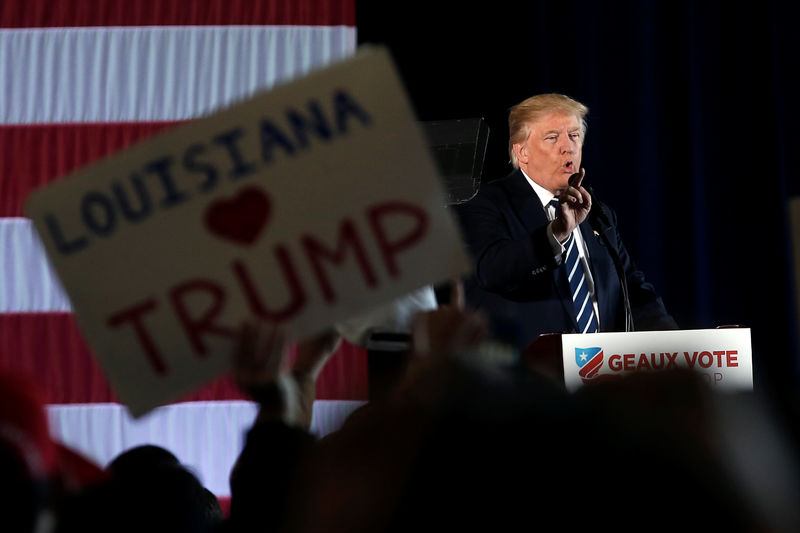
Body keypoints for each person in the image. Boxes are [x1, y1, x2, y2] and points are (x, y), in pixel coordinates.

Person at [453, 93, 677, 352]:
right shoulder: (485, 203)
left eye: (573, 136)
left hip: (601, 377)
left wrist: (676, 345)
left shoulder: (596, 212)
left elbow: (632, 291)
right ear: (522, 151)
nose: (567, 147)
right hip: (527, 379)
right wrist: (555, 233)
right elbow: (492, 271)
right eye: (552, 137)